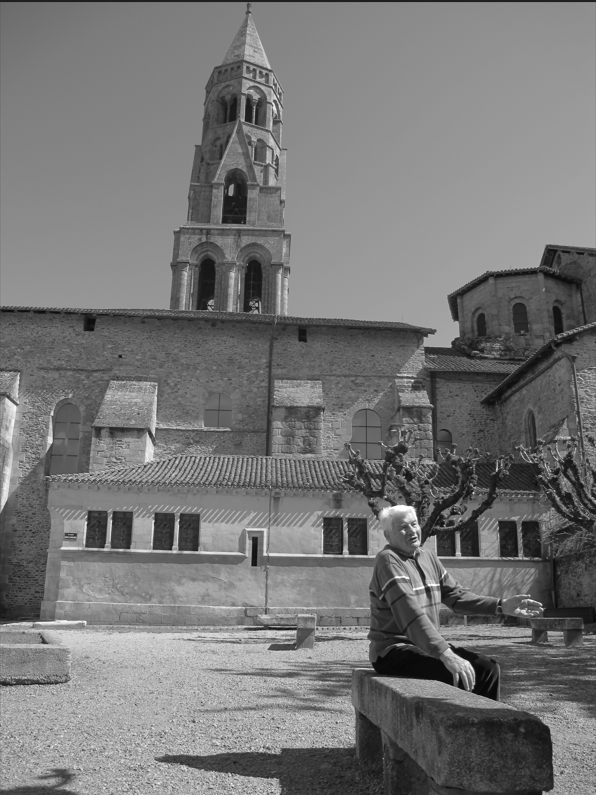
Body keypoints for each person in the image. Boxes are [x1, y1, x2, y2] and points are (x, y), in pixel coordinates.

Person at [369, 505, 543, 700]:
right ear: (387, 535)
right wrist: (445, 653)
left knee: (488, 668)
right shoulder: (388, 560)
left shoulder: (427, 557)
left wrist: (501, 605)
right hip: (393, 651)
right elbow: (409, 612)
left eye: (414, 524)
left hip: (421, 646)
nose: (412, 531)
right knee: (465, 674)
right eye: (403, 527)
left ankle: (485, 725)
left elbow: (457, 597)